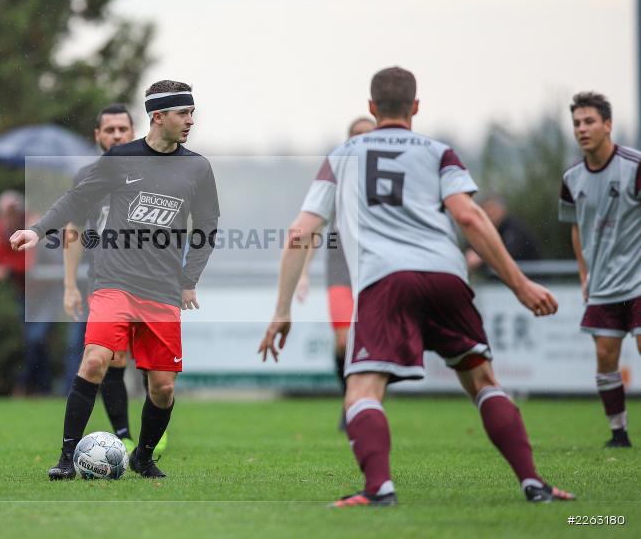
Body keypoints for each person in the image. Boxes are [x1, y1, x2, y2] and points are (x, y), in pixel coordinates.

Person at [260, 66, 574, 506]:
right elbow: (470, 216)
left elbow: (299, 233)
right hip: (446, 275)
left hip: (385, 280)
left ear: (372, 108)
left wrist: (282, 310)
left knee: (363, 391)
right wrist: (520, 283)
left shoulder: (342, 156)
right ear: (416, 107)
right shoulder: (439, 152)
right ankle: (533, 483)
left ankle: (379, 489)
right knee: (483, 379)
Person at [11, 80, 220, 480]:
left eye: (192, 113)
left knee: (162, 388)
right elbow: (76, 200)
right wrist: (38, 231)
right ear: (158, 117)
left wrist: (189, 278)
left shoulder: (197, 167)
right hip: (114, 282)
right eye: (184, 113)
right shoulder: (120, 159)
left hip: (162, 290)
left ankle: (142, 456)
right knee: (94, 361)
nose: (191, 121)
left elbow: (208, 226)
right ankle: (67, 458)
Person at [558, 91, 641, 448]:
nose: (582, 129)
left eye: (589, 121)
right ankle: (618, 434)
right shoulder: (571, 177)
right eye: (577, 123)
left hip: (638, 279)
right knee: (605, 355)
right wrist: (583, 273)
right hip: (603, 283)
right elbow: (576, 227)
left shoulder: (634, 166)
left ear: (608, 125)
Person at [62, 104, 142, 449]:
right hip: (105, 280)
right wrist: (69, 286)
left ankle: (148, 434)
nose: (116, 135)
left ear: (133, 131)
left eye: (122, 129)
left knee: (152, 371)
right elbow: (73, 230)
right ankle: (122, 437)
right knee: (108, 357)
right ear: (98, 136)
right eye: (109, 130)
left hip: (150, 281)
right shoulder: (86, 178)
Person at [296, 116, 375, 430]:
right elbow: (314, 226)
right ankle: (349, 401)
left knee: (371, 341)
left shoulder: (387, 179)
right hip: (341, 268)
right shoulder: (337, 178)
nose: (362, 141)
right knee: (344, 341)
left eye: (368, 135)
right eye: (356, 136)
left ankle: (365, 400)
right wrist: (303, 273)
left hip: (375, 268)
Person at [0, 190, 58, 396]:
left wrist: (9, 267)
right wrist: (10, 265)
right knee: (34, 342)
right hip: (26, 292)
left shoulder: (35, 225)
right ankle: (42, 388)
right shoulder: (1, 228)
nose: (8, 218)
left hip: (47, 290)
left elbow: (29, 262)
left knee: (36, 340)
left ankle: (25, 385)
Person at [465, 194, 541, 272]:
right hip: (501, 279)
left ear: (502, 210)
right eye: (486, 210)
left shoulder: (514, 229)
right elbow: (472, 247)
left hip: (531, 276)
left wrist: (482, 257)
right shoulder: (485, 228)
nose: (489, 213)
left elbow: (509, 255)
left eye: (492, 209)